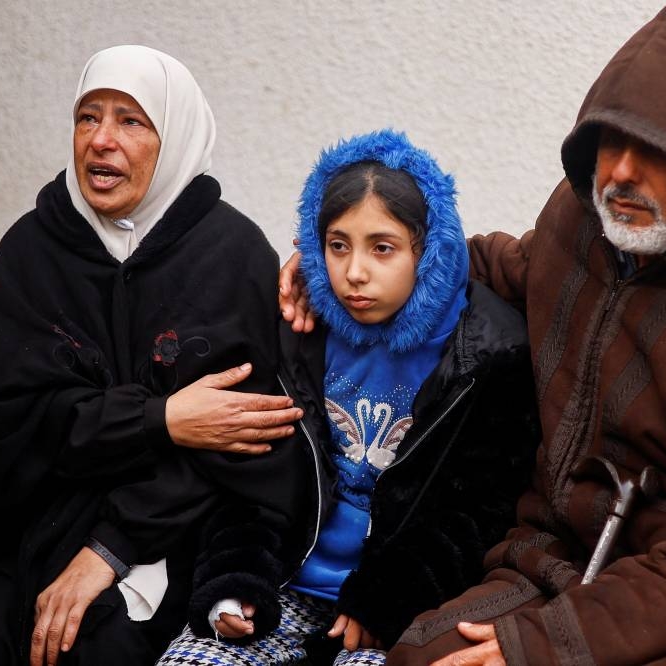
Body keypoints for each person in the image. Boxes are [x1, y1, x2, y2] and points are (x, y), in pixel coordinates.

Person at [282, 1, 666, 663]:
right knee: (419, 655)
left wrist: (546, 646)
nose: (623, 172)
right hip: (556, 560)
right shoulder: (586, 223)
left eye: (655, 148)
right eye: (612, 142)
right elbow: (494, 265)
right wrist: (331, 268)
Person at [0, 45, 309, 665]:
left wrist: (111, 549)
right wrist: (163, 420)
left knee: (106, 639)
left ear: (172, 138)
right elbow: (2, 426)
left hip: (175, 528)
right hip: (34, 522)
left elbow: (249, 444)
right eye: (88, 117)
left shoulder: (231, 256)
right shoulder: (32, 250)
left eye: (131, 120)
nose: (101, 140)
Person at [155, 130, 540, 666]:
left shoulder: (489, 353)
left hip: (404, 611)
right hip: (282, 585)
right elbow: (250, 476)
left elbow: (480, 514)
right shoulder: (298, 333)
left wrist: (387, 602)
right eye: (337, 246)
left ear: (428, 251)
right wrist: (234, 583)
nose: (354, 273)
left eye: (382, 248)